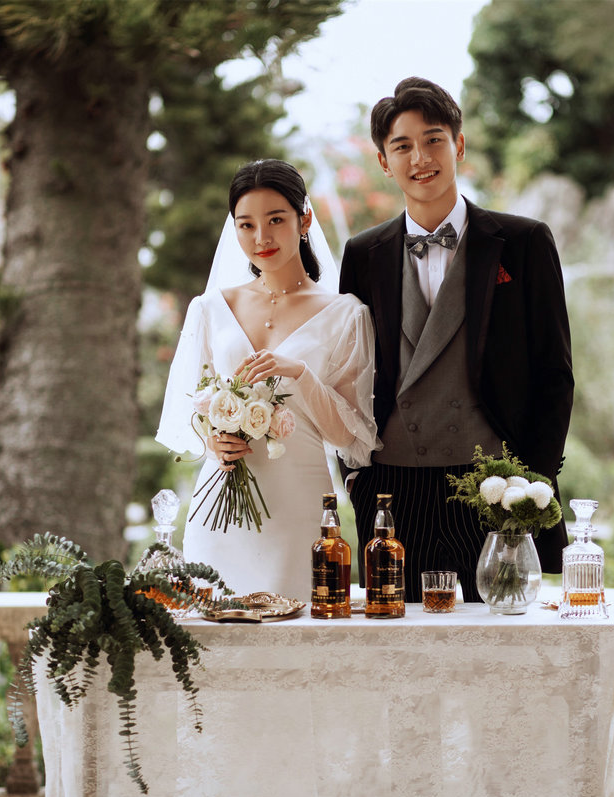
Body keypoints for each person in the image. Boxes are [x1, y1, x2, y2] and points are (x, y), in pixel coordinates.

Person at [339, 77, 574, 603]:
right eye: (402, 146)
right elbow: (348, 372)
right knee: (396, 639)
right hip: (392, 488)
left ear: (459, 145)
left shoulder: (523, 242)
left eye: (433, 140)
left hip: (493, 486)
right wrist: (354, 475)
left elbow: (554, 373)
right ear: (384, 162)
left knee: (500, 638)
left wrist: (531, 483)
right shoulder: (362, 253)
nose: (420, 158)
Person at [156, 159, 379, 600]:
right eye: (246, 225)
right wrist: (214, 439)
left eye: (276, 219)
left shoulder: (346, 314)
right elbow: (192, 410)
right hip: (219, 506)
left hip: (299, 506)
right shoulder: (210, 308)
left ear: (304, 220)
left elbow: (349, 437)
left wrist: (301, 374)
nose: (261, 238)